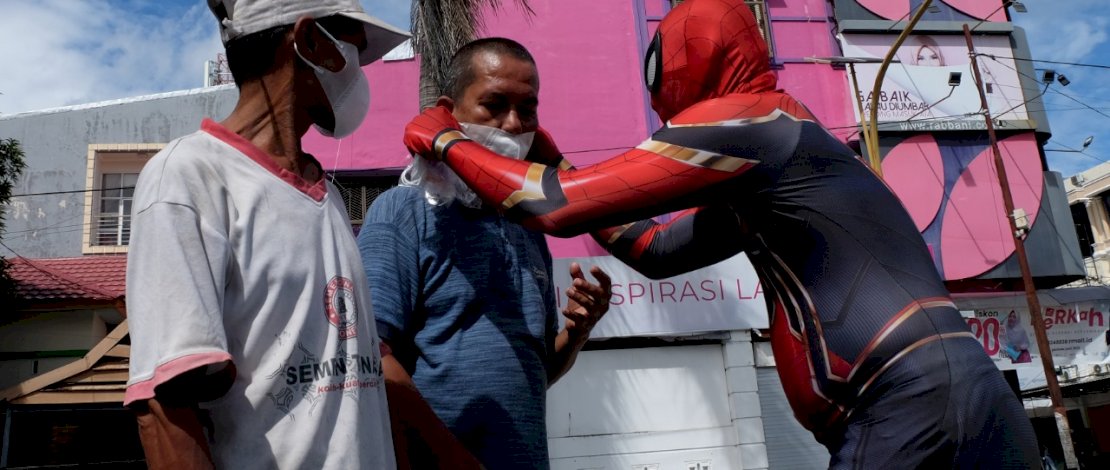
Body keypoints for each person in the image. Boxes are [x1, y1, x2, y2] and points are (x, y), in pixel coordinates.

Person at [400, 0, 1040, 467]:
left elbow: (554, 209)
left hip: (903, 401)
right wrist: (552, 152)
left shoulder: (743, 121)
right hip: (968, 394)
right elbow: (653, 249)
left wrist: (447, 137)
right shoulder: (784, 153)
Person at [124, 0, 408, 468]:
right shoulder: (189, 177)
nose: (361, 73)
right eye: (356, 50)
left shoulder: (326, 195)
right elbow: (165, 407)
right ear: (312, 42)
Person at [359, 38, 612, 470]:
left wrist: (577, 333)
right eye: (493, 105)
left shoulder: (530, 227)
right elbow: (370, 359)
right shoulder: (403, 211)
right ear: (450, 112)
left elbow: (534, 376)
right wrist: (455, 458)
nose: (513, 124)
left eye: (527, 109)